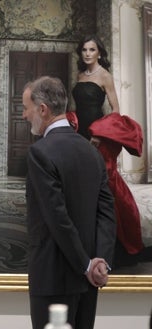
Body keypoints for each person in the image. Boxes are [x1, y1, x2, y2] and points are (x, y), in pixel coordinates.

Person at [22, 76, 116, 329]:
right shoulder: (92, 152)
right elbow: (106, 212)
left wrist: (86, 265)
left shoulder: (40, 152)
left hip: (53, 279)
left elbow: (57, 217)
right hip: (89, 283)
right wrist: (100, 262)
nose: (24, 115)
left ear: (43, 109)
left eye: (27, 108)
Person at [72, 34, 151, 267]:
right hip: (80, 133)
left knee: (106, 183)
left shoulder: (105, 76)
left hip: (98, 135)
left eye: (92, 50)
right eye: (84, 50)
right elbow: (78, 107)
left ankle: (118, 239)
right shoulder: (79, 75)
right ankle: (88, 236)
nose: (87, 54)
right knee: (83, 184)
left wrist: (99, 134)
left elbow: (116, 110)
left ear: (99, 53)